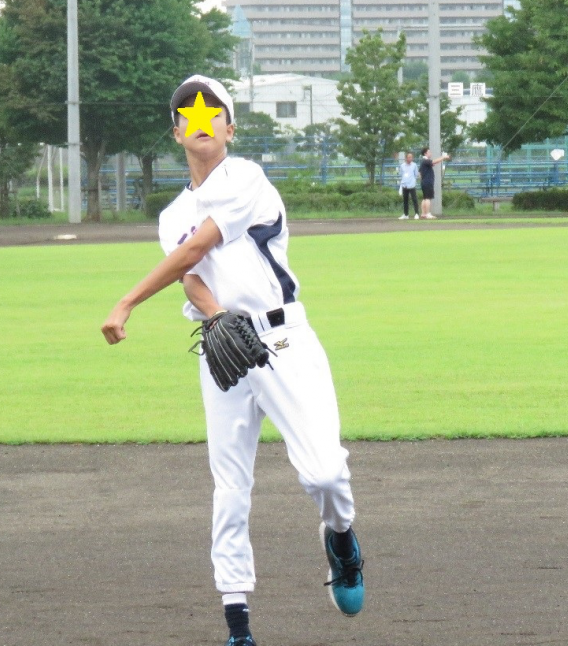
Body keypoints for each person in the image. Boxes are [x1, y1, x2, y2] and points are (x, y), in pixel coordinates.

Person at [101, 75, 365, 646]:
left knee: (324, 472)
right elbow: (191, 278)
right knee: (229, 485)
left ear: (231, 126)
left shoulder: (246, 178)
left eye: (213, 111)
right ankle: (237, 621)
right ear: (176, 132)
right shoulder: (172, 212)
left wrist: (127, 301)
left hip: (285, 339)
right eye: (188, 114)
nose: (201, 119)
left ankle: (340, 536)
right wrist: (218, 316)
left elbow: (198, 248)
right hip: (226, 347)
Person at [418, 147, 451, 219]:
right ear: (425, 153)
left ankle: (423, 213)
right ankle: (427, 213)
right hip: (427, 181)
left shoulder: (423, 162)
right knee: (428, 198)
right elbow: (434, 161)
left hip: (424, 181)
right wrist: (443, 157)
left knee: (424, 198)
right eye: (429, 152)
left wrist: (422, 180)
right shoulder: (425, 161)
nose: (430, 153)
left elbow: (420, 173)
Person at [397, 151, 420, 219]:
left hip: (412, 185)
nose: (410, 158)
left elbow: (416, 174)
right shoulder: (402, 166)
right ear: (406, 158)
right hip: (405, 185)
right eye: (409, 157)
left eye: (411, 157)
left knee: (414, 199)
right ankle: (406, 214)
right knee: (405, 200)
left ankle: (416, 213)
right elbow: (401, 174)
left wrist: (413, 180)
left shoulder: (414, 165)